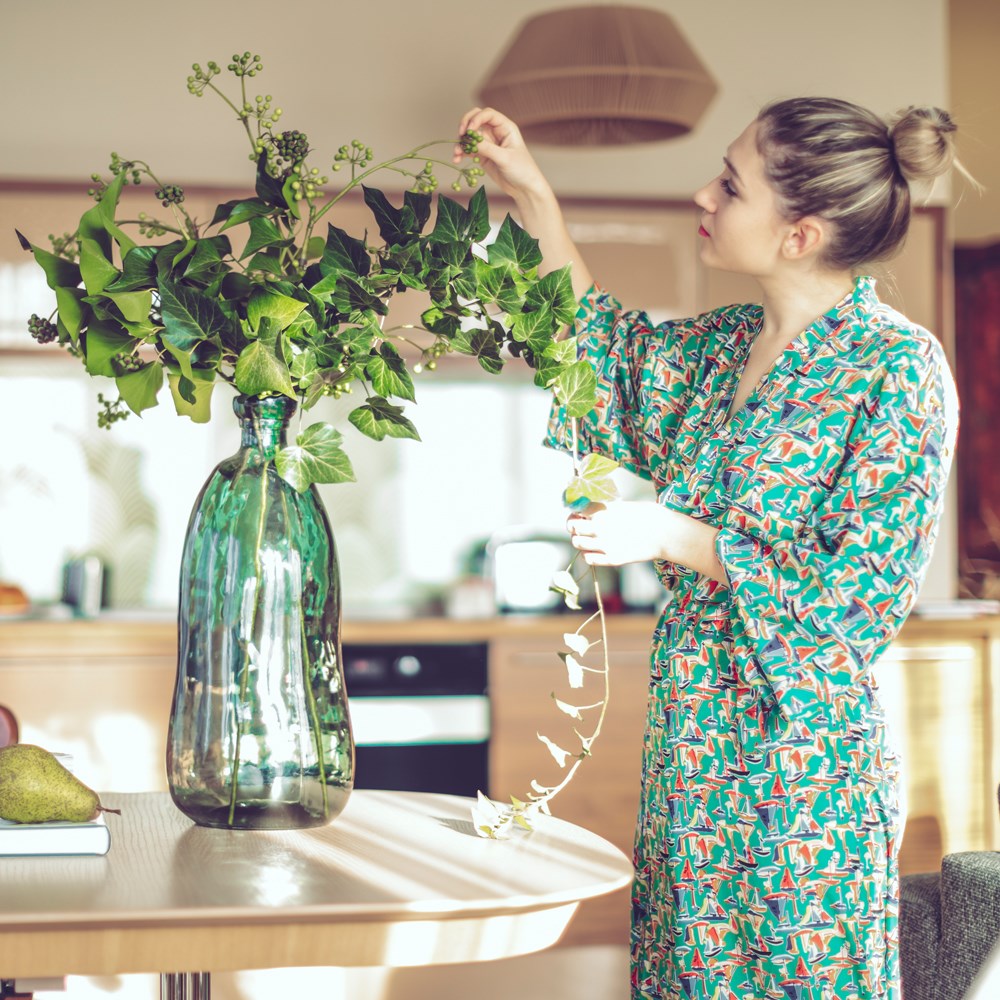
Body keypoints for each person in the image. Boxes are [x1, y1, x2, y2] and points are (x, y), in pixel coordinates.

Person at [455, 98, 963, 1000]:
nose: (704, 191)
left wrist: (672, 534)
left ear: (798, 234)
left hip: (801, 775)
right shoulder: (722, 347)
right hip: (689, 757)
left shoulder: (898, 371)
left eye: (731, 183)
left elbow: (858, 604)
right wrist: (534, 199)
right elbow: (601, 349)